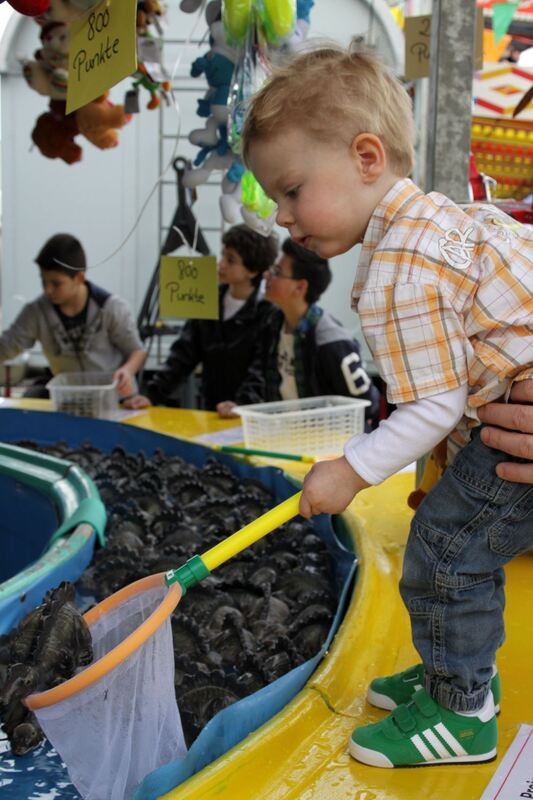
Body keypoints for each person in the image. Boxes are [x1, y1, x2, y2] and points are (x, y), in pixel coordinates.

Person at [242, 44, 533, 768]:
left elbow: (434, 405)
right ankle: (455, 667)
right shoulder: (438, 223)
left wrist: (349, 470)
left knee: (444, 549)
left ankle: (460, 712)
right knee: (452, 543)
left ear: (366, 157)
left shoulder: (402, 265)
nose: (281, 218)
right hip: (512, 421)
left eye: (291, 191)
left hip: (514, 435)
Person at [219, 237, 379, 424]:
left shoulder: (331, 341)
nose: (267, 275)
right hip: (285, 433)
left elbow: (368, 404)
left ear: (300, 287)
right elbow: (262, 379)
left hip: (325, 437)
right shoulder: (272, 324)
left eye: (277, 272)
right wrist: (241, 405)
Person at [132, 224, 278, 412]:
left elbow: (261, 372)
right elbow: (182, 355)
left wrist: (242, 406)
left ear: (253, 270)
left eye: (231, 260)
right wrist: (151, 396)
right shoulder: (208, 300)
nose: (221, 263)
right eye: (223, 254)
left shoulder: (268, 314)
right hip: (210, 412)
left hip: (248, 416)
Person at [0, 233, 146, 398]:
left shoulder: (111, 308)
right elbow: (7, 346)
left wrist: (127, 371)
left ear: (79, 278)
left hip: (114, 399)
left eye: (56, 283)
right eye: (44, 281)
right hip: (69, 400)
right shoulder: (36, 313)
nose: (48, 290)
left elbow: (137, 351)